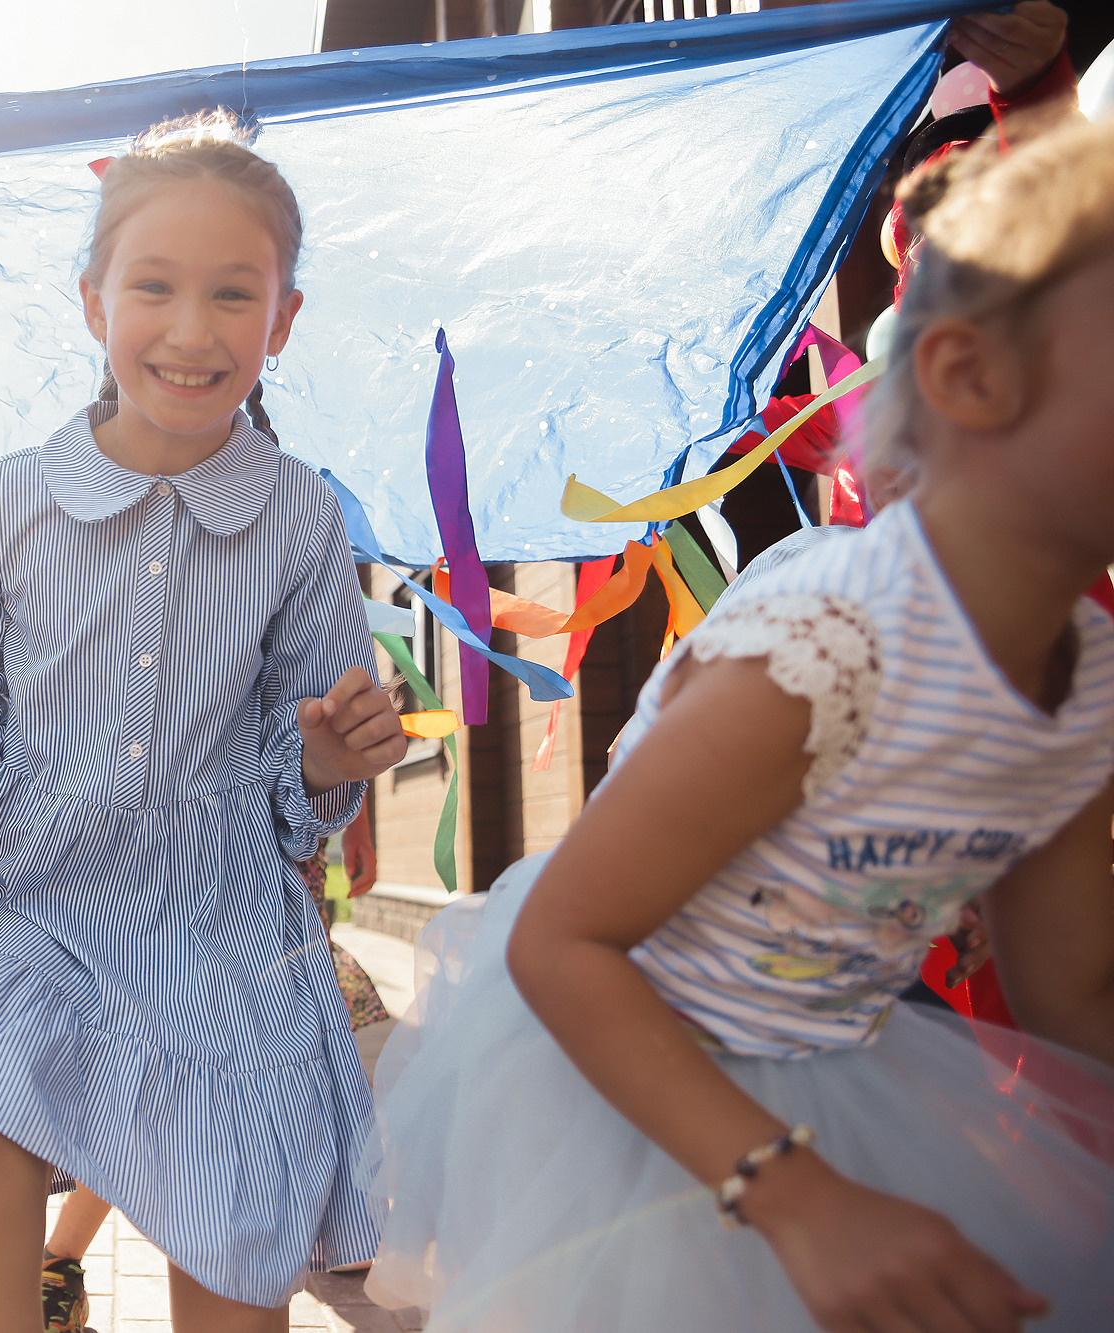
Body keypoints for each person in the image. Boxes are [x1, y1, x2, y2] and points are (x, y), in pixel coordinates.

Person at [369, 118, 1114, 1332]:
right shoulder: (826, 647)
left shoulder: (1082, 681)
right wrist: (794, 1193)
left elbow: (1072, 988)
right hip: (630, 1080)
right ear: (975, 378)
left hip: (845, 1066)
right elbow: (562, 945)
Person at [0, 111, 406, 1333]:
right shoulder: (15, 497)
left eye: (233, 296)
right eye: (152, 287)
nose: (188, 330)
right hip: (31, 901)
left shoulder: (299, 519)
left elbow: (314, 737)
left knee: (230, 1263)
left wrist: (325, 757)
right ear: (91, 301)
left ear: (280, 321)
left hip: (214, 932)